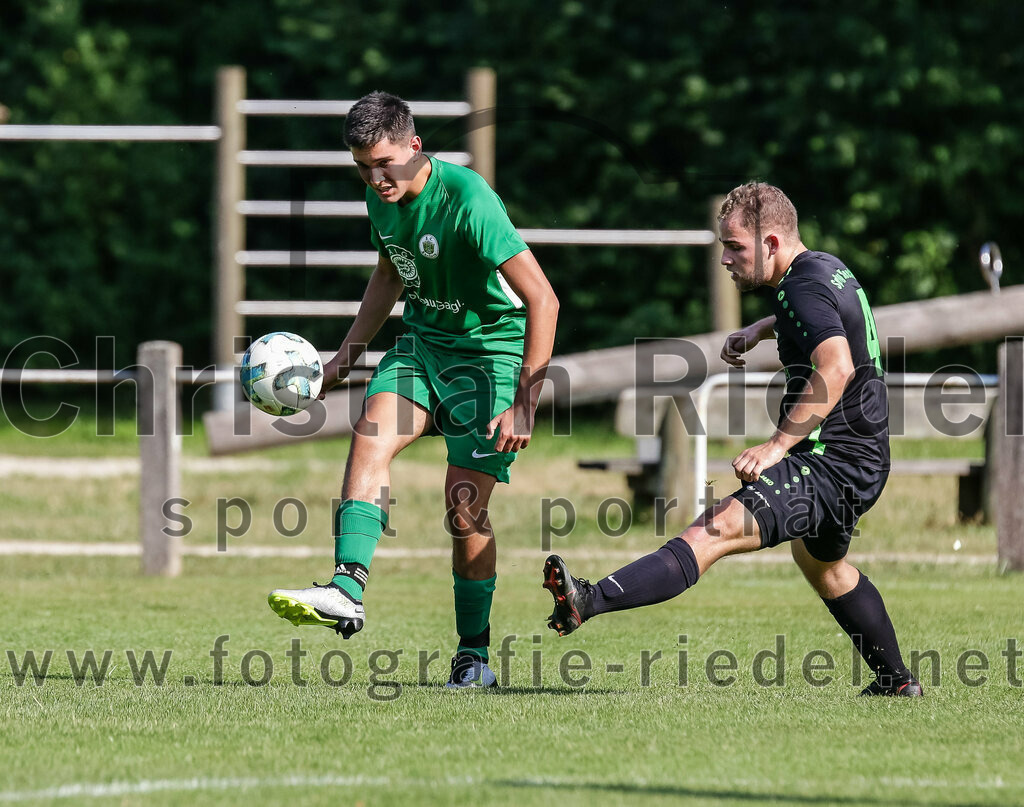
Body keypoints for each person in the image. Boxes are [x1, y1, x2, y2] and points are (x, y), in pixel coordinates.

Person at [544, 181, 922, 697]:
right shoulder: (824, 268)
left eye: (735, 246)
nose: (725, 258)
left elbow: (836, 368)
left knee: (713, 530)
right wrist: (761, 329)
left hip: (829, 462)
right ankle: (897, 682)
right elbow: (823, 316)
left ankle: (587, 600)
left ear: (771, 243)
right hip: (864, 457)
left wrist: (776, 446)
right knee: (824, 566)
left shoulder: (799, 290)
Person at [269, 92, 559, 688]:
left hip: (490, 358)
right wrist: (343, 359)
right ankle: (347, 588)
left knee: (463, 507)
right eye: (362, 168)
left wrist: (524, 402)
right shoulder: (382, 199)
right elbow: (388, 273)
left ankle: (473, 657)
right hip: (423, 347)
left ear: (415, 146)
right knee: (370, 437)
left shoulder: (469, 199)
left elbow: (544, 300)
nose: (376, 179)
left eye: (384, 164)